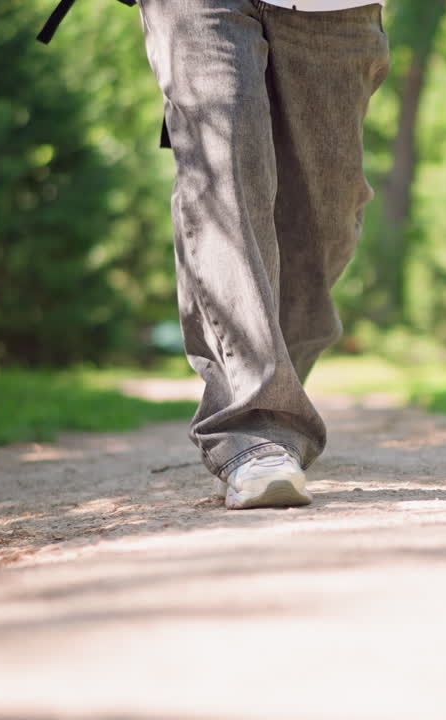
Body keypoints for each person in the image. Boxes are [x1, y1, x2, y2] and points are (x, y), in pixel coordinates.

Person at [134, 0, 390, 509]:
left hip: (332, 9)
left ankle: (275, 381)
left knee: (326, 215)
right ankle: (254, 429)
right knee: (222, 172)